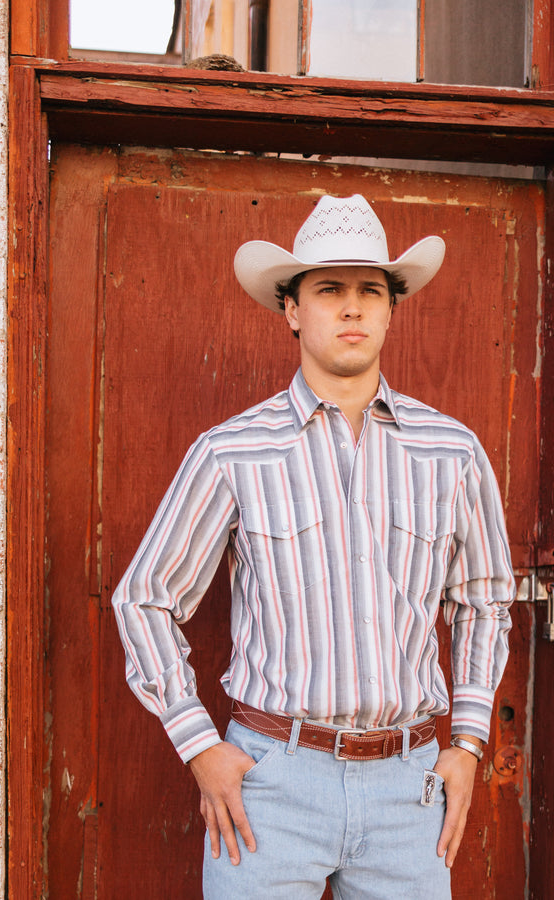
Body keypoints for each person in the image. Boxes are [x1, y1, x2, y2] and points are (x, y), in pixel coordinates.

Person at [112, 194, 515, 899]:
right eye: (329, 289)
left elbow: (485, 599)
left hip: (407, 787)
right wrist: (201, 746)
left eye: (370, 291)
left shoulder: (452, 452)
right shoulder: (233, 452)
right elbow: (144, 599)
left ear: (392, 308)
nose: (352, 308)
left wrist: (470, 743)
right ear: (293, 309)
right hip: (271, 783)